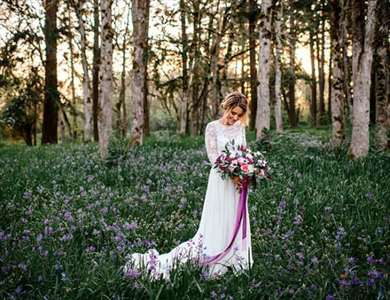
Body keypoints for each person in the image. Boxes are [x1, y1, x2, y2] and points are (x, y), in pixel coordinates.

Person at [124, 92, 253, 279]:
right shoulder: (212, 127)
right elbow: (214, 157)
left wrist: (246, 170)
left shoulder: (240, 127)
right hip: (221, 180)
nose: (234, 117)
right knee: (219, 218)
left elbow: (243, 151)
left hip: (239, 182)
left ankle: (236, 257)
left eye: (239, 114)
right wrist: (231, 173)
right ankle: (216, 256)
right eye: (232, 112)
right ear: (226, 108)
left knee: (235, 217)